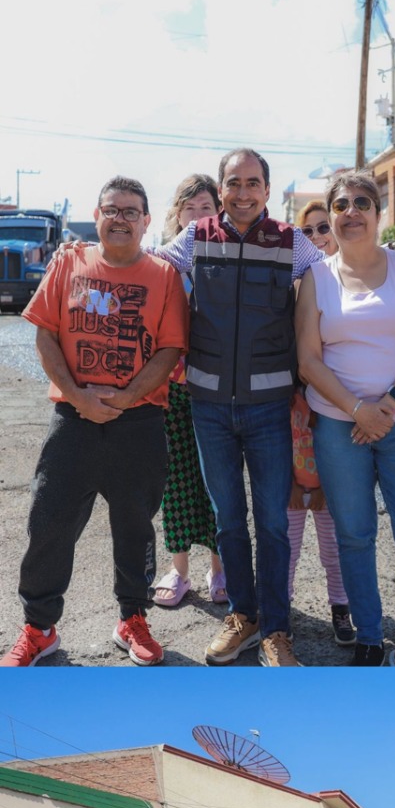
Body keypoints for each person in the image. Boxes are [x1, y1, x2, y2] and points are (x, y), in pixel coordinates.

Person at [2, 177, 188, 668]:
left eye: (131, 211)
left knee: (134, 528)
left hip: (140, 422)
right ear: (98, 215)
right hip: (73, 420)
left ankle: (132, 619)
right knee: (49, 523)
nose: (120, 218)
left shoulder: (165, 276)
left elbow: (170, 348)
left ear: (147, 221)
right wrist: (80, 397)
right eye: (111, 209)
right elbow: (44, 333)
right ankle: (40, 629)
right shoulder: (69, 261)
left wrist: (126, 396)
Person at [154, 147, 329, 667]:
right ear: (222, 187)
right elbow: (145, 267)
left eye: (254, 183)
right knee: (229, 520)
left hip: (269, 409)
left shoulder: (292, 244)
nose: (244, 192)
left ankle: (277, 629)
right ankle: (243, 616)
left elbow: (340, 273)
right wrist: (86, 252)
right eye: (234, 183)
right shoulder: (196, 238)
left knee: (273, 522)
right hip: (208, 408)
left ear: (268, 190)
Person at [296, 169, 395, 667]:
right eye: (341, 205)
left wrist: (390, 403)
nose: (351, 212)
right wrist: (358, 409)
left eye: (362, 202)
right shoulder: (315, 278)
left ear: (379, 214)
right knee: (355, 534)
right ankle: (370, 638)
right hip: (339, 428)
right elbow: (308, 359)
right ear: (330, 216)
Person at [151, 174, 227, 610]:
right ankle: (178, 571)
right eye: (190, 208)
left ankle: (220, 569)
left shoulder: (227, 257)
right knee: (176, 481)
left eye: (206, 208)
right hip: (171, 389)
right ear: (176, 214)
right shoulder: (160, 264)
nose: (198, 217)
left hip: (218, 389)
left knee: (218, 483)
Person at [286, 199, 355, 649]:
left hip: (336, 425)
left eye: (323, 228)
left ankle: (341, 607)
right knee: (285, 540)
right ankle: (280, 611)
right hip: (293, 421)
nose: (316, 238)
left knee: (335, 542)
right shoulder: (291, 291)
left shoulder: (352, 285)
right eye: (306, 232)